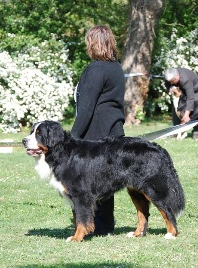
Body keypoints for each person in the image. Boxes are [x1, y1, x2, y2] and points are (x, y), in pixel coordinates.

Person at [71, 25, 125, 236]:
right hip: (114, 131)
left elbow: (86, 109)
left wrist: (72, 138)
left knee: (84, 185)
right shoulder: (116, 67)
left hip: (95, 137)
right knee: (106, 184)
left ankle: (88, 226)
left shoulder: (95, 69)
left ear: (93, 43)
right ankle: (104, 228)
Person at [165, 67, 198, 139]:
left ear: (177, 76)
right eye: (170, 81)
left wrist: (186, 115)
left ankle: (196, 131)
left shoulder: (186, 79)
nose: (171, 83)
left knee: (195, 109)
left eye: (173, 81)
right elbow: (168, 86)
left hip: (195, 89)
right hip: (183, 90)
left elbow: (190, 98)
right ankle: (176, 130)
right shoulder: (170, 77)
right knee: (177, 109)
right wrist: (171, 89)